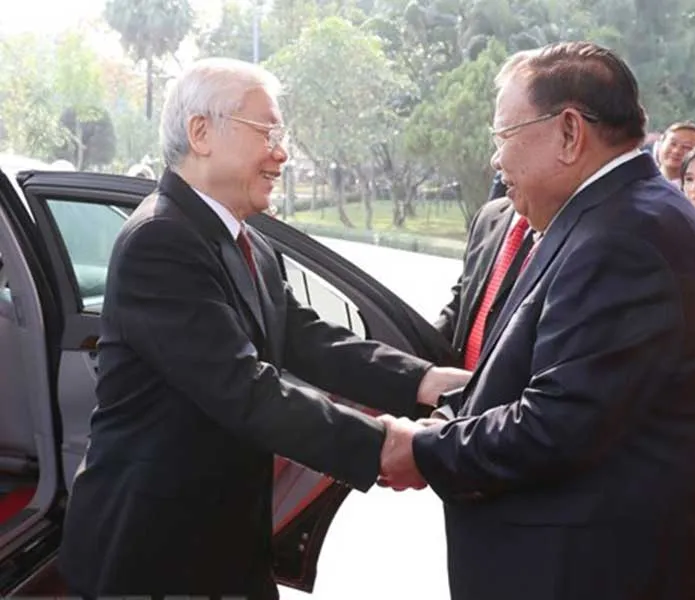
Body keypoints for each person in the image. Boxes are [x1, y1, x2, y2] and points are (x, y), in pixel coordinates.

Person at [58, 58, 469, 599]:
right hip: (153, 549)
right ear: (200, 133)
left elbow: (304, 338)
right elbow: (243, 388)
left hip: (221, 538)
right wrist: (383, 444)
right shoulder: (159, 240)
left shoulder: (245, 240)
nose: (282, 154)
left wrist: (423, 381)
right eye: (267, 133)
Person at [379, 41, 695, 600]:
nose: (495, 160)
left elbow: (557, 424)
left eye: (504, 135)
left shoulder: (625, 236)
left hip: (592, 571)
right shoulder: (609, 215)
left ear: (569, 132)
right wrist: (444, 418)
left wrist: (425, 450)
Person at [435, 194, 533, 368]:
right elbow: (462, 298)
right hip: (460, 379)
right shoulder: (489, 214)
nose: (503, 181)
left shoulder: (563, 229)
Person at [656, 121, 695, 187]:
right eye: (673, 143)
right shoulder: (642, 180)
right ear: (660, 145)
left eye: (686, 146)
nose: (676, 151)